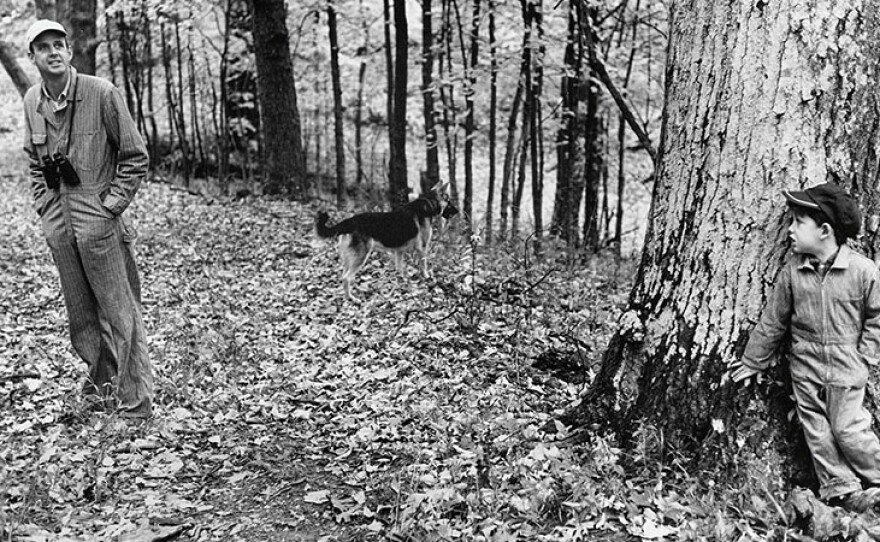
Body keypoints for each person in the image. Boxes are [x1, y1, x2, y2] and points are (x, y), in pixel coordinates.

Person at [21, 19, 153, 419]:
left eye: (59, 44)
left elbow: (135, 156)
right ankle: (101, 390)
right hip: (61, 225)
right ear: (32, 57)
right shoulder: (32, 101)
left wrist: (109, 206)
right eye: (43, 47)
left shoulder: (101, 93)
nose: (53, 52)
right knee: (81, 318)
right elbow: (32, 159)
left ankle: (136, 404)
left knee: (120, 311)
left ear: (70, 50)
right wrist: (46, 207)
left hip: (99, 220)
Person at [729, 182, 880, 512]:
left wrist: (866, 354)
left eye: (798, 223)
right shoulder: (793, 273)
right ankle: (843, 490)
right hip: (805, 366)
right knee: (819, 433)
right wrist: (754, 360)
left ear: (825, 230)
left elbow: (877, 316)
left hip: (847, 365)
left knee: (849, 429)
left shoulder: (862, 271)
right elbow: (773, 321)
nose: (790, 231)